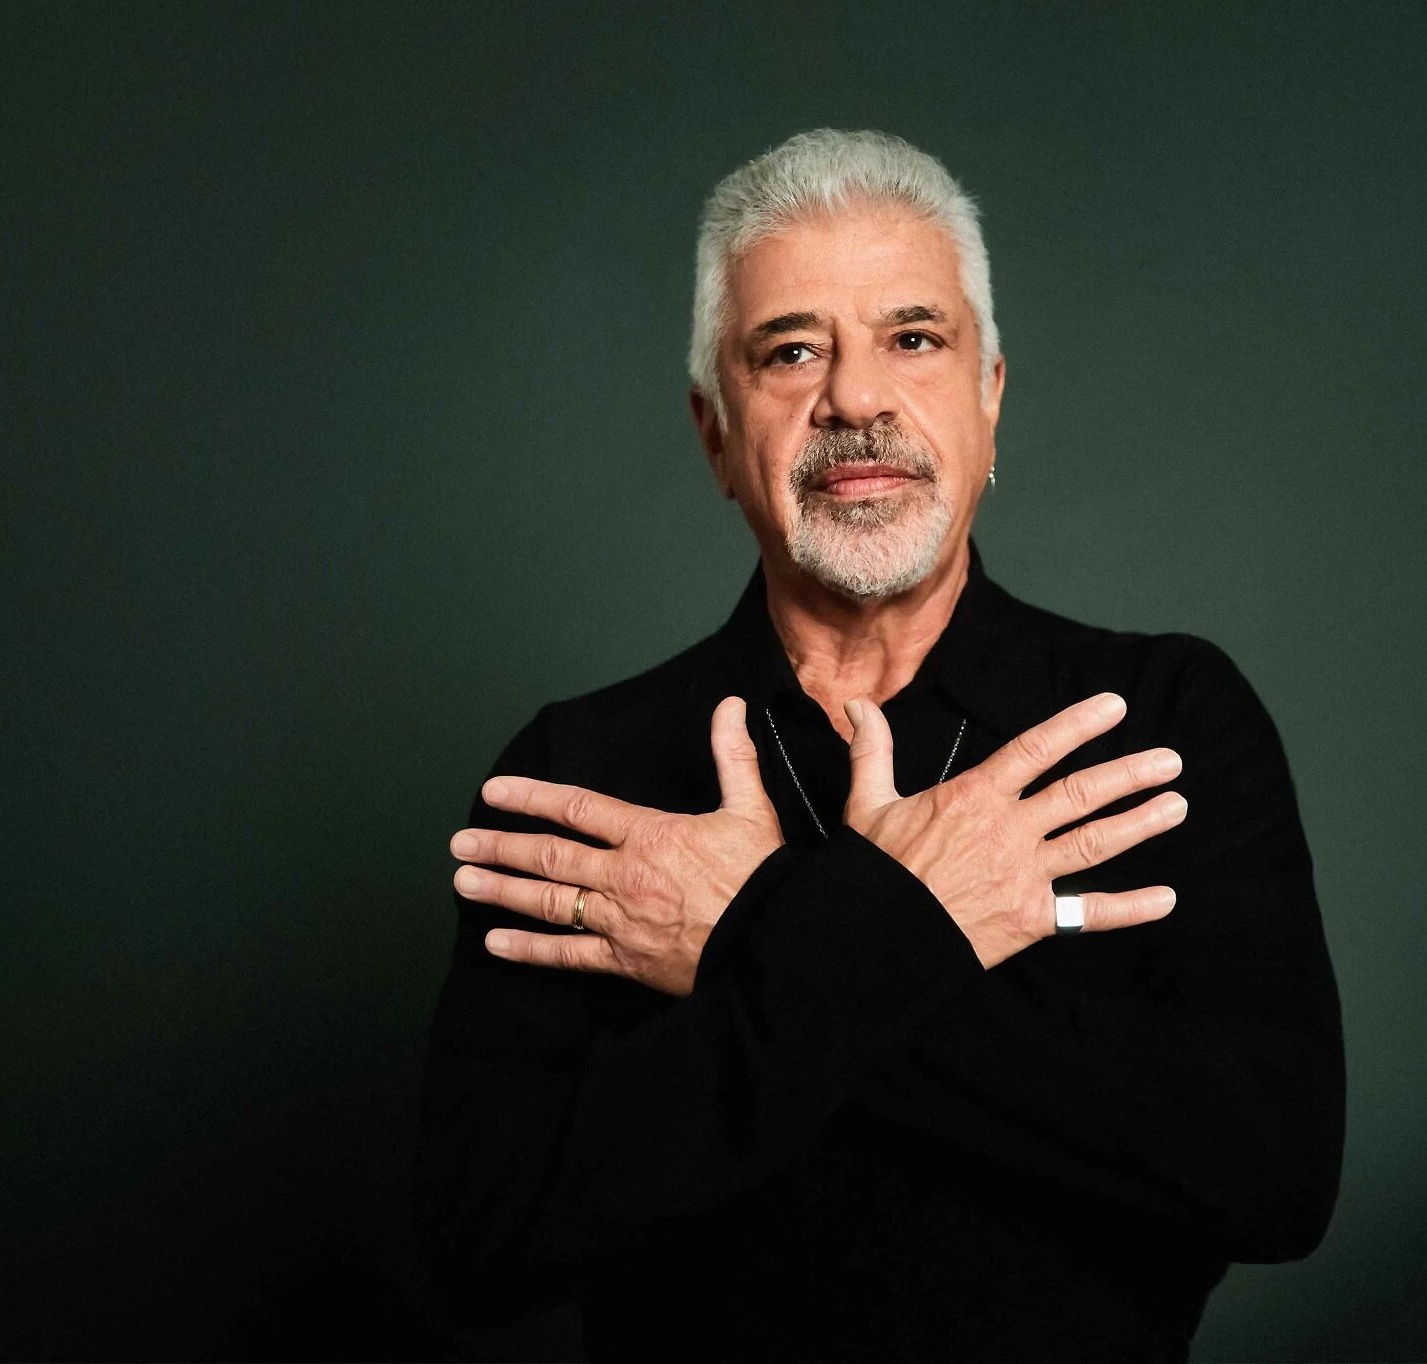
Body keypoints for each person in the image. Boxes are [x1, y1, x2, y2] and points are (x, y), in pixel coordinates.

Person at [416, 129, 1344, 1363]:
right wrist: (892, 940)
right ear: (713, 432)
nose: (854, 398)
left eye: (912, 338)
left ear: (988, 396)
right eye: (790, 350)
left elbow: (1271, 1175)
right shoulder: (583, 771)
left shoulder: (1156, 721)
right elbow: (480, 1235)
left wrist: (747, 933)